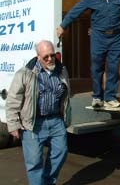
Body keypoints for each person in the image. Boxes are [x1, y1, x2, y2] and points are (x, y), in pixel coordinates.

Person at [57, 0, 120, 108]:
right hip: (99, 37)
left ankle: (110, 97)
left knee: (113, 68)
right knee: (97, 68)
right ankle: (97, 96)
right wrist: (63, 25)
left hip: (116, 37)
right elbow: (76, 10)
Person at [6, 40, 71, 185]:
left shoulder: (62, 71)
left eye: (52, 55)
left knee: (61, 153)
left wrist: (66, 116)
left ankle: (48, 182)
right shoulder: (26, 73)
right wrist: (13, 124)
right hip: (33, 123)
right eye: (45, 57)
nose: (50, 59)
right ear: (38, 56)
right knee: (34, 162)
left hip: (56, 121)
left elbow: (66, 96)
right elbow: (13, 100)